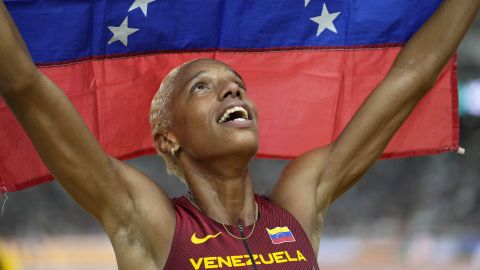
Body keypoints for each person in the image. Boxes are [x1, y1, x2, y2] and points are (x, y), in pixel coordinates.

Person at [0, 0, 478, 269]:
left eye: (238, 86)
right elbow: (25, 84)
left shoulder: (298, 203)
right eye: (203, 87)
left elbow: (411, 76)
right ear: (169, 139)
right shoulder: (149, 224)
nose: (232, 90)